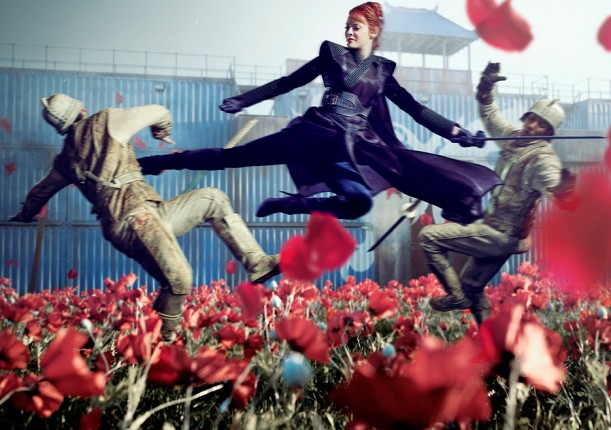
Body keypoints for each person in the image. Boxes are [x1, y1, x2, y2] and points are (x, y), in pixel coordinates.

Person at [137, 2, 500, 224]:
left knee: (358, 203)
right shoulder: (332, 54)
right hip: (313, 135)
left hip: (350, 148)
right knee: (232, 158)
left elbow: (417, 110)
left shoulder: (383, 72)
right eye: (347, 26)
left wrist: (457, 132)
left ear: (372, 32)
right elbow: (287, 83)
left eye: (356, 27)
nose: (348, 31)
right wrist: (245, 100)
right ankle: (157, 163)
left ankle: (294, 205)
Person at [8, 94, 279, 342]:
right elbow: (160, 111)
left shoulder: (65, 160)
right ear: (81, 110)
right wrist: (162, 131)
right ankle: (164, 340)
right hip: (134, 220)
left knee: (213, 198)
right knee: (179, 279)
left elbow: (40, 191)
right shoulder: (106, 121)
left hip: (151, 214)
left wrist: (26, 213)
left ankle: (256, 263)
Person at [418, 62, 577, 326]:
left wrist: (563, 190)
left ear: (549, 133)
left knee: (428, 237)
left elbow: (553, 186)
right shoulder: (514, 136)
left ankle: (456, 297)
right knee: (473, 288)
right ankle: (494, 343)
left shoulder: (543, 158)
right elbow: (491, 116)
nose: (532, 126)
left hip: (501, 235)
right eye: (532, 119)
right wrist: (486, 89)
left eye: (541, 125)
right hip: (496, 230)